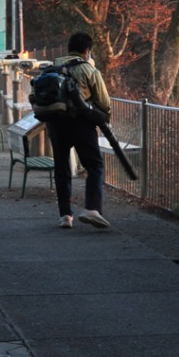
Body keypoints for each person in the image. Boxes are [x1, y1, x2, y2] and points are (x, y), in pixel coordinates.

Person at [47, 32, 112, 229]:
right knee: (94, 166)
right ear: (87, 51)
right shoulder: (88, 70)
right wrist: (104, 118)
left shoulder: (52, 68)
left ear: (68, 49)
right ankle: (92, 209)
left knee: (62, 168)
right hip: (82, 124)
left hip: (56, 125)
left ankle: (65, 216)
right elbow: (104, 102)